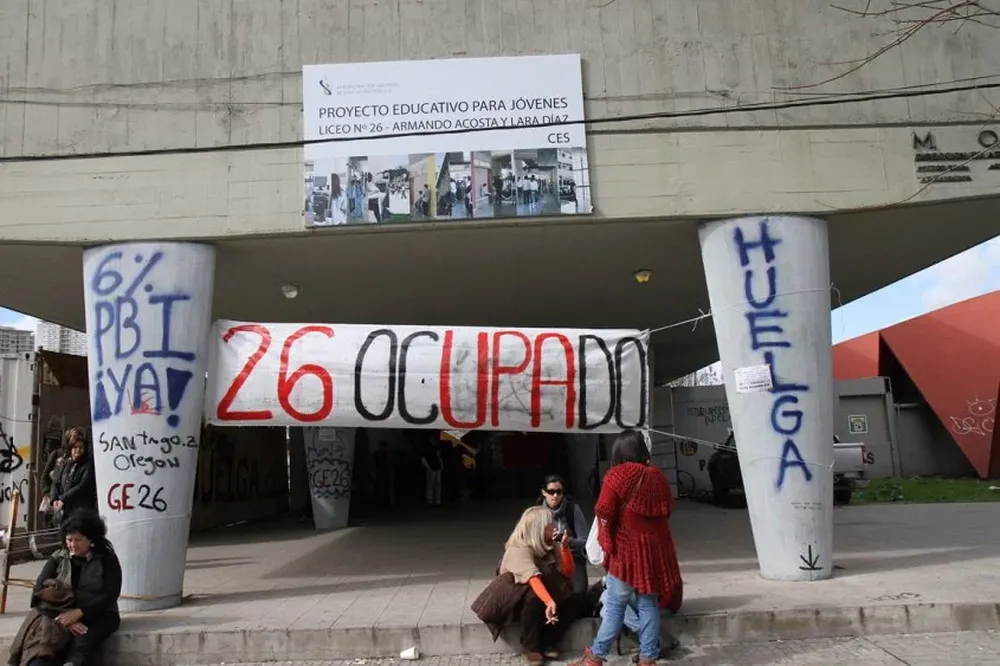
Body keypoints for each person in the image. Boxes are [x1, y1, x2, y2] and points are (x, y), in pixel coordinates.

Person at [572, 430, 683, 666]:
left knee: (614, 606)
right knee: (648, 604)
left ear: (619, 451)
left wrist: (608, 544)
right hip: (652, 553)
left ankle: (595, 657)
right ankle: (647, 658)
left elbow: (603, 512)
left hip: (625, 554)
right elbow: (668, 510)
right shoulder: (658, 477)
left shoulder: (616, 476)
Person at [473, 506, 585, 666]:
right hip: (516, 599)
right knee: (534, 596)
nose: (555, 527)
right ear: (538, 528)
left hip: (543, 594)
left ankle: (548, 642)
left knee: (574, 600)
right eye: (550, 524)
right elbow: (532, 578)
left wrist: (565, 548)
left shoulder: (549, 544)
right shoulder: (518, 548)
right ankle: (530, 646)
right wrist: (549, 602)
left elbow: (567, 573)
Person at [30, 509, 122, 666]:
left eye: (78, 540)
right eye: (69, 540)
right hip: (58, 615)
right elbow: (38, 592)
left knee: (82, 645)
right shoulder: (58, 558)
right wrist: (66, 618)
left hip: (99, 614)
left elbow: (110, 594)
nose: (72, 545)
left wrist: (80, 612)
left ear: (91, 539)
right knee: (44, 651)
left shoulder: (106, 559)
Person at [536, 475, 589, 595]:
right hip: (549, 558)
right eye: (551, 492)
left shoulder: (572, 509)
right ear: (544, 492)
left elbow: (585, 541)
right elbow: (530, 540)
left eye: (559, 492)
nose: (555, 496)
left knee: (578, 593)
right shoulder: (537, 512)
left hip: (573, 557)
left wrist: (567, 541)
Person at [50, 430, 96, 523]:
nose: (78, 450)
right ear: (70, 449)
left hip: (80, 511)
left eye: (81, 447)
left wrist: (63, 498)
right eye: (75, 447)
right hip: (64, 511)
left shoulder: (87, 465)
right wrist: (54, 499)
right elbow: (55, 482)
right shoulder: (65, 463)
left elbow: (82, 486)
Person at [421, 440, 443, 506]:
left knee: (435, 485)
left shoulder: (434, 450)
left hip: (435, 468)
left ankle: (435, 500)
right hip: (433, 468)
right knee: (432, 485)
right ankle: (432, 500)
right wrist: (429, 467)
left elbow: (439, 458)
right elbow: (423, 459)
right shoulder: (429, 450)